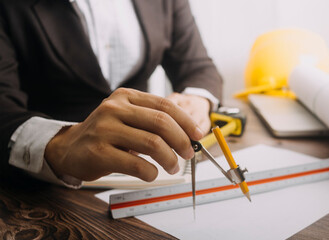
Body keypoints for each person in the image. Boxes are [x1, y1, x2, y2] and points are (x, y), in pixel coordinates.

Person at [0, 0, 222, 188]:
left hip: (145, 172)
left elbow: (197, 67)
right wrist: (59, 146)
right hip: (43, 188)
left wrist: (197, 99)